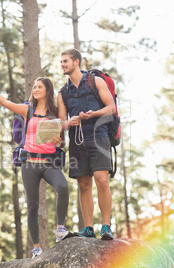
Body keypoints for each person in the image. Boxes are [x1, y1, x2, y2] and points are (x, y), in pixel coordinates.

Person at [0, 75, 69, 258]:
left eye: (39, 87)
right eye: (34, 87)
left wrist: (59, 141)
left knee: (63, 186)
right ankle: (36, 248)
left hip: (49, 163)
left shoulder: (55, 113)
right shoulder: (28, 109)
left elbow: (61, 141)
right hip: (29, 165)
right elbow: (5, 102)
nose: (35, 89)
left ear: (47, 90)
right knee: (32, 206)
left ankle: (60, 229)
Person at [57, 48, 115, 240]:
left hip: (99, 136)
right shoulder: (63, 93)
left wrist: (94, 113)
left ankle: (106, 226)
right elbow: (61, 122)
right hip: (77, 140)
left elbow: (110, 108)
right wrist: (69, 122)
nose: (62, 65)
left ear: (76, 62)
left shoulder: (94, 81)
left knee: (102, 180)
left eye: (65, 61)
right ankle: (88, 228)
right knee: (83, 184)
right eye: (61, 62)